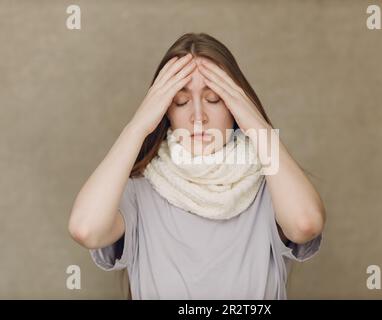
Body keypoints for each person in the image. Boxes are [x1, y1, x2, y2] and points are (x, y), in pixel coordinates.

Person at [68, 32, 326, 299]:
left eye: (214, 98)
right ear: (165, 111)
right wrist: (137, 127)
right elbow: (85, 228)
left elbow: (305, 224)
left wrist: (256, 124)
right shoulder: (138, 192)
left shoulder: (272, 184)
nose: (199, 117)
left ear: (235, 108)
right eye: (181, 101)